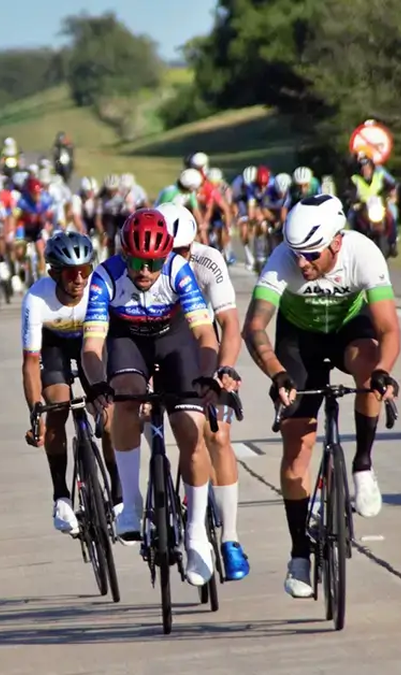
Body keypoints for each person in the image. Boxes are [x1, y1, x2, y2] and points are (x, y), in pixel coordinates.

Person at [241, 194, 400, 598]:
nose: (302, 263)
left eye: (311, 254)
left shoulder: (363, 253)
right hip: (299, 343)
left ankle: (363, 465)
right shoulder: (281, 261)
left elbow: (389, 329)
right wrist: (277, 374)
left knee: (368, 363)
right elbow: (255, 327)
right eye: (295, 254)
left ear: (336, 242)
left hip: (350, 329)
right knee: (296, 452)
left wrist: (384, 372)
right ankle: (299, 553)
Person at [80, 208, 229, 587]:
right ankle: (130, 504)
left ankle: (196, 534)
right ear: (122, 255)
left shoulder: (179, 272)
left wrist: (208, 378)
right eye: (135, 261)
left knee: (189, 426)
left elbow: (206, 336)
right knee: (125, 400)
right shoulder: (105, 277)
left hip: (174, 339)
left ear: (165, 258)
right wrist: (98, 385)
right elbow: (93, 346)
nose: (144, 271)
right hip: (127, 339)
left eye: (152, 263)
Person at [157, 202, 249, 581]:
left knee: (218, 434)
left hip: (200, 344)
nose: (174, 260)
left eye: (181, 252)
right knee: (162, 426)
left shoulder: (208, 261)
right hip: (156, 345)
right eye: (168, 253)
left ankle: (229, 538)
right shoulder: (141, 261)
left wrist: (223, 370)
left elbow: (229, 323)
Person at [22, 231, 119, 533]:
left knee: (109, 416)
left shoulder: (99, 289)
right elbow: (29, 363)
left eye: (85, 271)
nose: (79, 279)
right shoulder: (37, 299)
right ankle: (61, 497)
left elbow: (113, 345)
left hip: (91, 343)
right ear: (54, 273)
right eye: (70, 273)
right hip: (53, 348)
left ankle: (118, 494)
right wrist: (35, 410)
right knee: (57, 407)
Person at [344, 152, 400, 257]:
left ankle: (393, 242)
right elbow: (349, 192)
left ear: (372, 167)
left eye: (367, 167)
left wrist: (392, 196)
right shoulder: (355, 179)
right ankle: (355, 243)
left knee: (391, 216)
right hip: (362, 207)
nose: (365, 170)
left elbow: (391, 186)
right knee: (351, 216)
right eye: (363, 168)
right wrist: (353, 201)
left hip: (379, 205)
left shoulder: (380, 176)